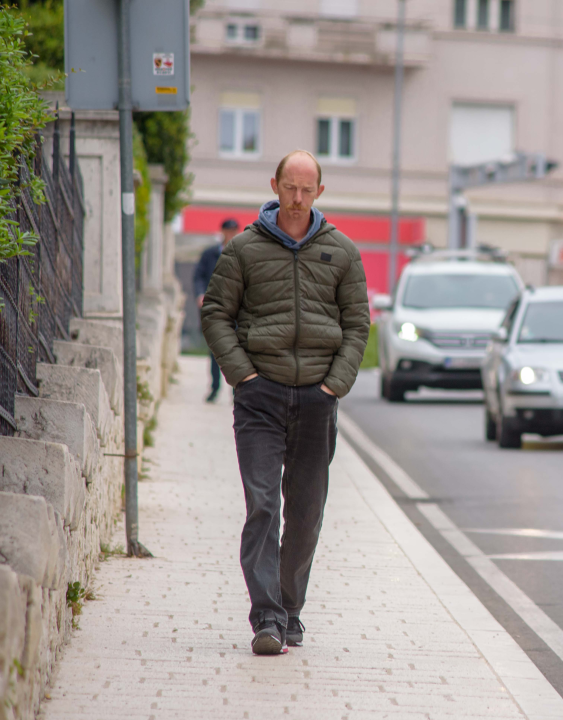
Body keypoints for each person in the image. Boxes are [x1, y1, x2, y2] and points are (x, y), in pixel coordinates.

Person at [201, 150, 369, 656]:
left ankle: (291, 609)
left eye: (306, 189)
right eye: (289, 188)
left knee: (305, 513)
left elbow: (358, 325)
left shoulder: (342, 252)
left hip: (318, 399)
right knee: (263, 507)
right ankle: (267, 618)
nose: (297, 199)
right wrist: (243, 377)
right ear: (274, 185)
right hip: (261, 397)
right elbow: (215, 314)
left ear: (320, 191)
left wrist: (334, 385)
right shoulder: (244, 250)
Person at [194, 218, 240, 402]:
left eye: (233, 231)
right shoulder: (210, 254)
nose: (230, 234)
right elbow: (199, 276)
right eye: (228, 231)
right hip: (215, 309)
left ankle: (237, 390)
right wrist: (200, 294)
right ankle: (214, 388)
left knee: (236, 351)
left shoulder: (243, 253)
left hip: (237, 310)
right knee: (215, 350)